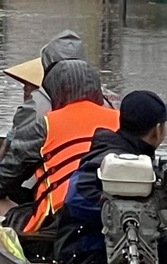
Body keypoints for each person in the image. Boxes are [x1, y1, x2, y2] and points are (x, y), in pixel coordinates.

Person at [68, 90, 167, 264]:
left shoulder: (102, 154)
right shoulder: (120, 162)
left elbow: (142, 213)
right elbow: (85, 203)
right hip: (89, 252)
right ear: (157, 130)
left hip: (81, 249)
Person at [0, 30, 88, 212]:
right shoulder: (107, 100)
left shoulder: (36, 106)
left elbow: (13, 164)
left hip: (45, 194)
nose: (24, 89)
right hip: (91, 191)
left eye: (27, 86)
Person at [16, 60, 119, 242]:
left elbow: (11, 171)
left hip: (56, 216)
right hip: (115, 213)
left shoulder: (45, 123)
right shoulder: (121, 119)